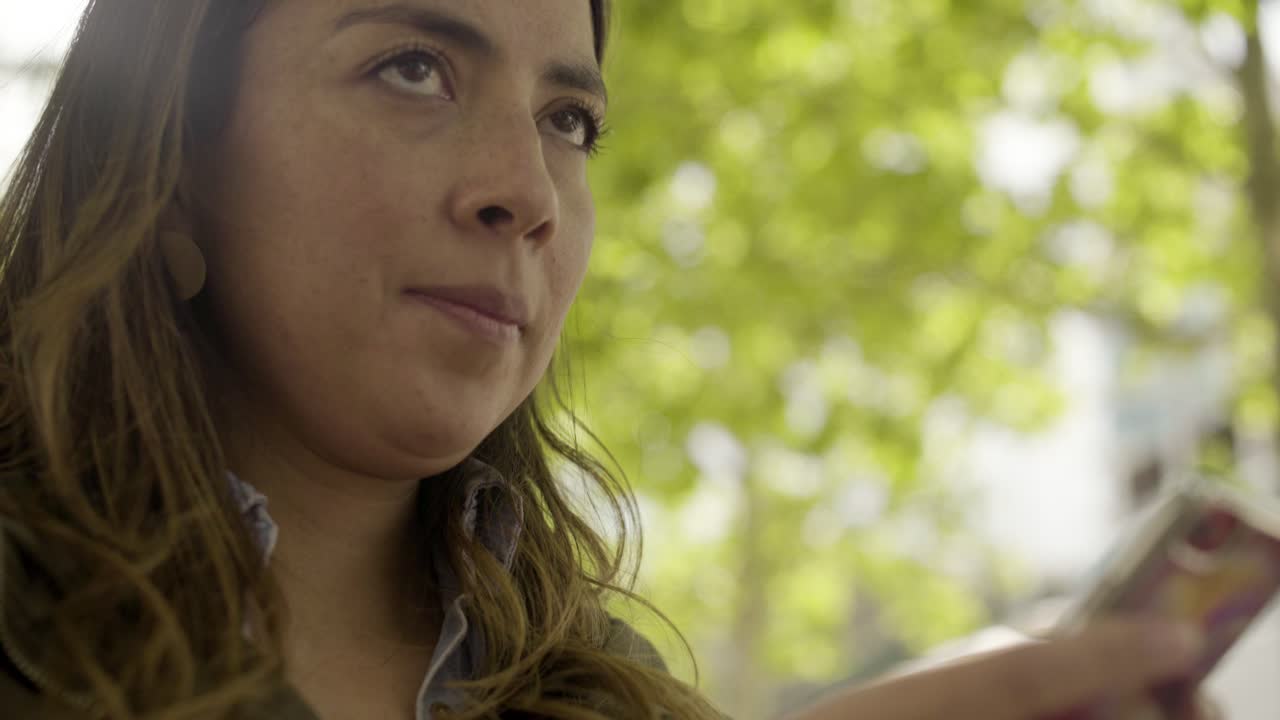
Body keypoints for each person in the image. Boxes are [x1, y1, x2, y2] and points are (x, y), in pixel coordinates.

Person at [0, 1, 1223, 718]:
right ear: (168, 168)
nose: (527, 192)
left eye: (567, 121)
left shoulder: (621, 694)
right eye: (412, 69)